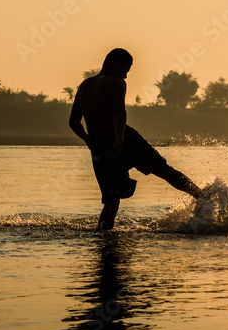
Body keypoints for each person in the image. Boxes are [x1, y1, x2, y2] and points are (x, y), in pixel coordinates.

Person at [69, 48, 201, 230]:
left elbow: (74, 122)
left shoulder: (85, 85)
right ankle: (203, 197)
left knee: (111, 200)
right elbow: (118, 113)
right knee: (163, 170)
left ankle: (103, 235)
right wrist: (120, 140)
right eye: (125, 71)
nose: (125, 76)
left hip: (100, 147)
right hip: (124, 140)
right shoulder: (116, 82)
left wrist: (89, 141)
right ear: (116, 67)